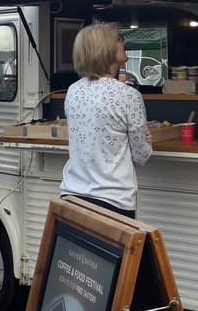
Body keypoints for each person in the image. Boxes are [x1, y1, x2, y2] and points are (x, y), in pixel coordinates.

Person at [60, 23, 153, 218]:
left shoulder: (73, 91)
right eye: (119, 39)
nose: (124, 42)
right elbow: (140, 155)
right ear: (107, 49)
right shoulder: (129, 95)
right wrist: (147, 142)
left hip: (71, 196)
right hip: (112, 200)